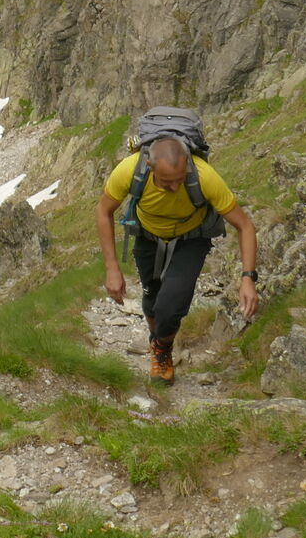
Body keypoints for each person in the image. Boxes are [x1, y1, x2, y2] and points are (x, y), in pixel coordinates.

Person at [95, 136, 258, 384]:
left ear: (187, 166)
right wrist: (112, 268)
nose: (174, 187)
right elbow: (103, 211)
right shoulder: (130, 170)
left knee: (170, 306)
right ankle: (158, 340)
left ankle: (162, 349)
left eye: (180, 180)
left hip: (190, 239)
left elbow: (245, 225)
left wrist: (248, 279)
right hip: (148, 236)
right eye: (166, 182)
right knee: (152, 299)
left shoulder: (204, 176)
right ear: (150, 167)